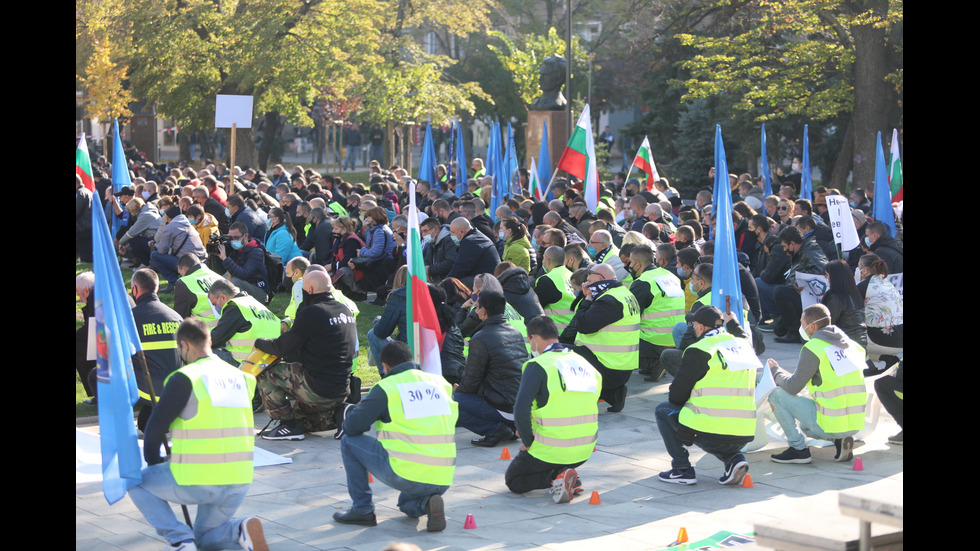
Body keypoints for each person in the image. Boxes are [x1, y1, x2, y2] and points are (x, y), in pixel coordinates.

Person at [127, 318, 269, 551]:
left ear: (183, 345)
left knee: (134, 482)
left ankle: (179, 540)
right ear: (209, 340)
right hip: (239, 478)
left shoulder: (186, 377)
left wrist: (155, 465)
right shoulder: (243, 378)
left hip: (197, 477)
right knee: (206, 539)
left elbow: (153, 429)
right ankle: (239, 530)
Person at [334, 341, 456, 532]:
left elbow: (352, 427)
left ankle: (362, 509)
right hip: (444, 477)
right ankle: (427, 504)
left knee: (348, 442)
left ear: (385, 366)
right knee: (404, 503)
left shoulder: (388, 387)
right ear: (410, 360)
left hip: (408, 474)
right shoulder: (440, 383)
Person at [505, 316, 601, 502]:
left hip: (551, 449)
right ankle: (568, 474)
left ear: (535, 338)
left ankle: (556, 477)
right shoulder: (584, 364)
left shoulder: (538, 365)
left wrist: (528, 440)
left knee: (514, 480)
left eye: (530, 341)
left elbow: (520, 410)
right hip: (584, 450)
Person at [655, 306, 754, 486]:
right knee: (716, 427)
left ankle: (681, 469)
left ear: (700, 327)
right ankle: (733, 459)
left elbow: (676, 396)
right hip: (745, 431)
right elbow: (744, 336)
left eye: (693, 325)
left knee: (664, 410)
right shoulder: (744, 346)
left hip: (712, 430)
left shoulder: (699, 350)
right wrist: (734, 323)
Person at [254, 271, 357, 440]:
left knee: (266, 373)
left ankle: (286, 425)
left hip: (317, 387)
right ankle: (340, 414)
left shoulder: (312, 312)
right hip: (341, 388)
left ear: (309, 289)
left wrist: (260, 342)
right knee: (302, 420)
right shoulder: (344, 310)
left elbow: (283, 348)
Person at [767, 304, 867, 464]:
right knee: (806, 427)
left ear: (812, 326)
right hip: (855, 423)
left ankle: (798, 449)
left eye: (802, 323)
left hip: (831, 422)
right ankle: (839, 440)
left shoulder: (814, 348)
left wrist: (775, 371)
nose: (801, 327)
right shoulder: (852, 346)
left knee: (776, 394)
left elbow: (793, 387)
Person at [454, 290, 527, 447]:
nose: (476, 311)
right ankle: (508, 427)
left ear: (484, 311)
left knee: (452, 403)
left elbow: (471, 381)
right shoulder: (515, 332)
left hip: (503, 405)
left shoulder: (481, 338)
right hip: (520, 405)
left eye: (477, 307)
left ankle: (495, 430)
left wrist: (457, 392)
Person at [572, 264, 640, 413]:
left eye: (589, 282)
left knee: (560, 355)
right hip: (620, 366)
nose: (586, 285)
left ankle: (580, 398)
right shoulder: (622, 294)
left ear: (601, 278)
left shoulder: (609, 300)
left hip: (609, 367)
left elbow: (582, 324)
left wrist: (587, 299)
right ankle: (613, 393)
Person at [127, 269, 185, 431]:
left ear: (135, 289)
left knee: (98, 374)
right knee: (146, 424)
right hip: (174, 388)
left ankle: (118, 424)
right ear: (157, 288)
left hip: (146, 389)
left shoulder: (131, 318)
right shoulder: (176, 316)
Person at [628, 245, 685, 382]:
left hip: (654, 339)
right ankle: (654, 363)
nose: (629, 265)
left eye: (630, 262)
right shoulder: (671, 276)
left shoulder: (643, 282)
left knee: (619, 333)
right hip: (675, 338)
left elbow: (629, 315)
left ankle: (655, 362)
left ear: (637, 264)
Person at [151, 205, 207, 291]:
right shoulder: (189, 225)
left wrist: (155, 245)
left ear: (169, 218)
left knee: (155, 255)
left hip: (188, 264)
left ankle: (173, 282)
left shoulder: (170, 226)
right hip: (202, 261)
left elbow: (162, 250)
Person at [856, 253, 903, 353]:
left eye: (858, 267)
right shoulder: (887, 283)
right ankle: (884, 360)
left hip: (882, 340)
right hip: (900, 338)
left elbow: (852, 313)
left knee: (848, 333)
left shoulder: (864, 286)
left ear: (864, 270)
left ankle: (869, 365)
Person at [367, 266, 409, 375]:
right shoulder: (429, 292)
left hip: (407, 351)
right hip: (427, 348)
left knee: (372, 333)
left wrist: (377, 321)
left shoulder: (398, 295)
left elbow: (382, 332)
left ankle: (385, 374)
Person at [216, 222, 270, 304]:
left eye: (236, 238)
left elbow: (244, 273)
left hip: (260, 292)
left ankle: (232, 309)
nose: (233, 241)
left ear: (245, 236)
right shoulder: (234, 249)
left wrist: (225, 258)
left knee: (235, 281)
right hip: (245, 287)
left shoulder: (256, 252)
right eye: (230, 238)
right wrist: (216, 256)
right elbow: (218, 271)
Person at [821, 259, 868, 347]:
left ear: (835, 277)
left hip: (847, 344)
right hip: (860, 343)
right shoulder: (854, 294)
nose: (827, 279)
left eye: (827, 275)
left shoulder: (837, 298)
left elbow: (828, 323)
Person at [447, 218, 500, 288]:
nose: (451, 235)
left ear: (462, 232)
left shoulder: (469, 242)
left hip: (486, 282)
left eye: (453, 232)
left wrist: (444, 283)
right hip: (491, 278)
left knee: (456, 285)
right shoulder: (478, 236)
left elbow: (460, 268)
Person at [534, 246, 576, 333]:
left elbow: (535, 307)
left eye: (543, 259)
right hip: (574, 329)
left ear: (548, 261)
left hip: (558, 332)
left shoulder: (548, 279)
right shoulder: (572, 275)